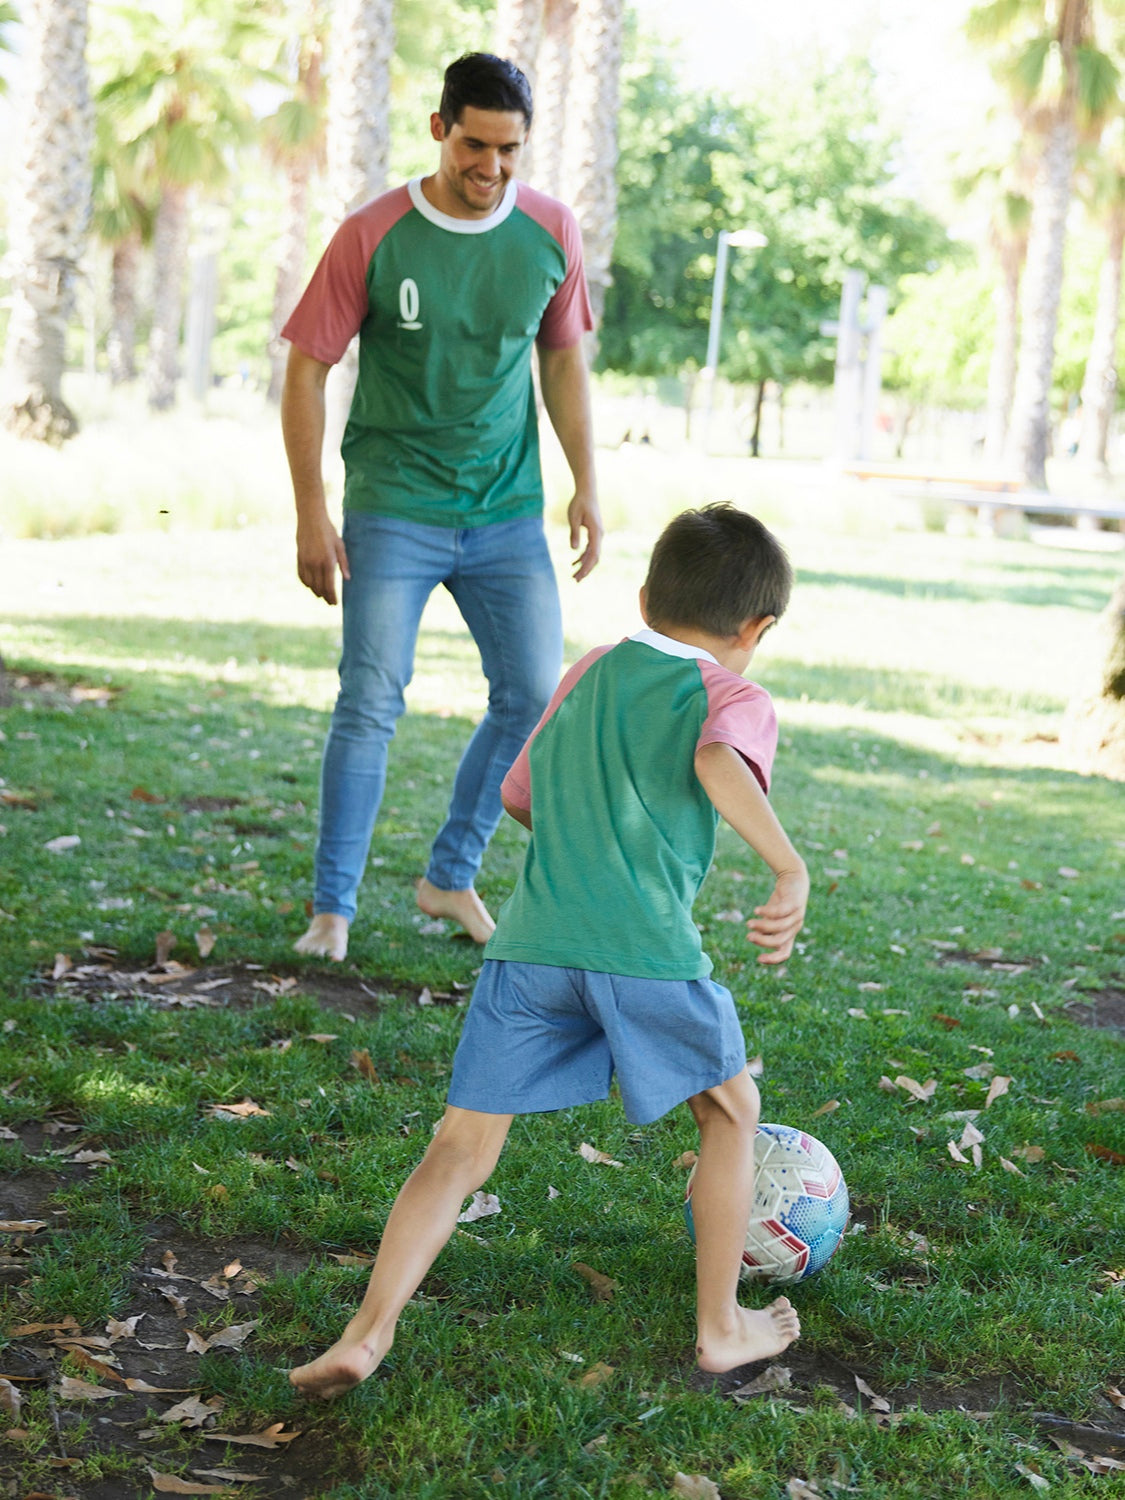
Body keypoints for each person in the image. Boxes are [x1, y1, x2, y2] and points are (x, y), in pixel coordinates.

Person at [290, 503, 809, 1399]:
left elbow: (519, 795)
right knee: (730, 1113)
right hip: (642, 952)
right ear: (756, 628)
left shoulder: (592, 669)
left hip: (527, 949)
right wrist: (786, 867)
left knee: (457, 1148)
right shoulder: (733, 696)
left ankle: (365, 1335)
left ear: (646, 596)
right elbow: (719, 762)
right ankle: (721, 1327)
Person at [281, 53, 602, 962]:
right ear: (438, 128)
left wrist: (586, 482)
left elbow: (563, 361)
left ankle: (448, 875)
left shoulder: (550, 231)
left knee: (532, 696)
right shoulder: (373, 232)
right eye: (474, 144)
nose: (490, 167)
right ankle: (331, 911)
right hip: (394, 503)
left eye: (508, 150)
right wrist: (312, 512)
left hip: (506, 510)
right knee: (370, 702)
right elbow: (308, 368)